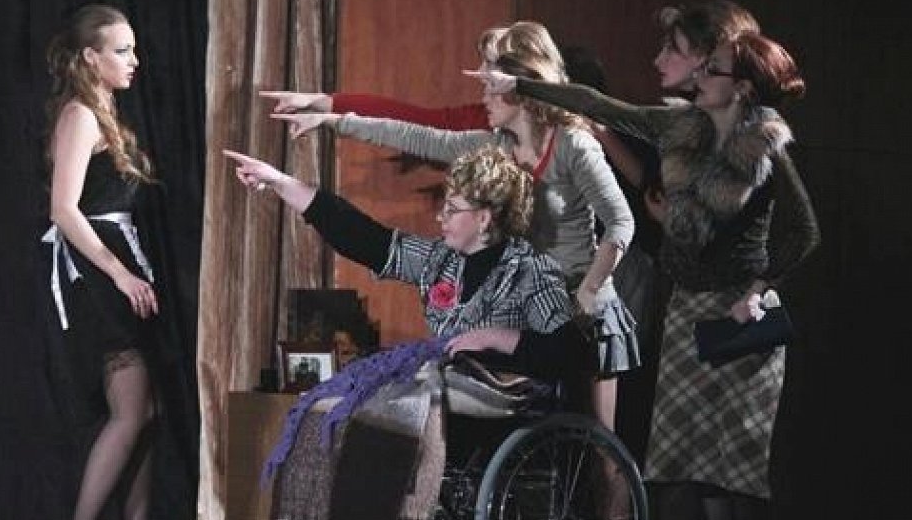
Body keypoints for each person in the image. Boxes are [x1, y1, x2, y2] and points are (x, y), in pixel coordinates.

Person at [471, 24, 820, 520]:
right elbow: (599, 104)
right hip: (687, 313)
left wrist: (757, 290)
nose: (699, 75)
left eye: (712, 69)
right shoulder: (680, 126)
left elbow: (803, 231)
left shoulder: (766, 146)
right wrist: (523, 85)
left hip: (741, 320)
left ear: (742, 89)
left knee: (735, 479)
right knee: (677, 470)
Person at [223, 144, 596, 520]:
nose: (441, 217)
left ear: (484, 218)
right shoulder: (441, 261)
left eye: (452, 209)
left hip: (499, 399)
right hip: (441, 385)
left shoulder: (530, 272)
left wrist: (500, 337)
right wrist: (281, 182)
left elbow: (572, 351)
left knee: (371, 421)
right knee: (325, 415)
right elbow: (363, 237)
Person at [268, 24, 639, 432]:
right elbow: (417, 134)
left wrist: (589, 288)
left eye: (491, 84)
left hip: (581, 301)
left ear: (520, 88)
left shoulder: (573, 146)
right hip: (526, 296)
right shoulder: (497, 146)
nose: (483, 95)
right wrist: (333, 120)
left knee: (598, 436)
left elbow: (621, 222)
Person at [42, 3, 159, 520]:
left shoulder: (107, 113)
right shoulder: (80, 115)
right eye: (122, 50)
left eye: (133, 48)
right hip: (97, 276)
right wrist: (118, 274)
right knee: (131, 412)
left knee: (145, 414)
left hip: (120, 270)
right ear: (91, 57)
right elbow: (64, 210)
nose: (134, 60)